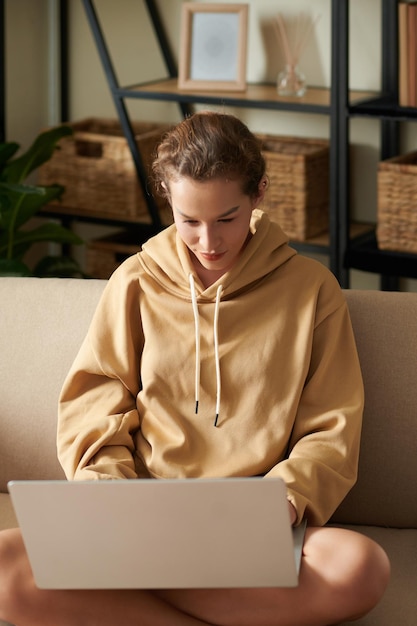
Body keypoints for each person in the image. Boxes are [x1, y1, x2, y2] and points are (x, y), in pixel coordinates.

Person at [0, 111, 389, 626]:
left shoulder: (312, 291)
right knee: (3, 564)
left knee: (361, 567)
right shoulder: (135, 281)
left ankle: (137, 592)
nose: (209, 242)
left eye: (226, 218)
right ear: (167, 197)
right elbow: (97, 402)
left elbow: (332, 426)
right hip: (140, 512)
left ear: (259, 194)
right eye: (189, 221)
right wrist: (106, 490)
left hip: (252, 522)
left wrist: (287, 501)